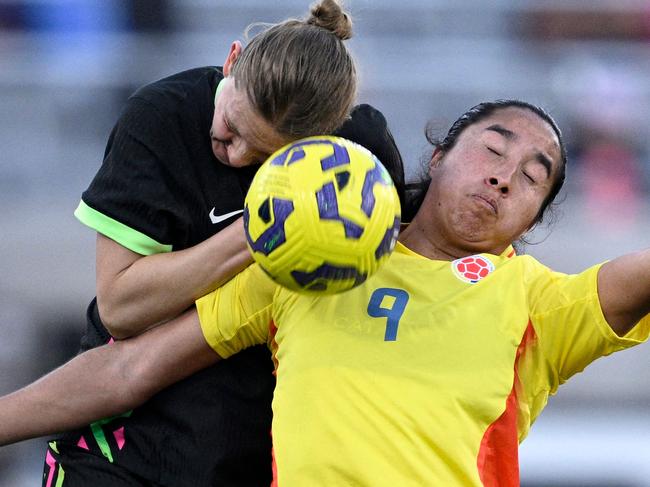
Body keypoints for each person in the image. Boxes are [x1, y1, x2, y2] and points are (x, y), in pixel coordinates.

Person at [1, 100, 648, 486]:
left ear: (532, 221)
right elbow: (129, 366)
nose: (505, 177)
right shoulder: (312, 255)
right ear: (441, 154)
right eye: (494, 148)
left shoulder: (537, 303)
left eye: (534, 178)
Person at [42, 1, 406, 485]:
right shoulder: (159, 118)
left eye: (265, 154)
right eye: (233, 127)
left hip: (258, 442)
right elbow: (120, 306)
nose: (235, 154)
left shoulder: (357, 156)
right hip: (123, 447)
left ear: (320, 139)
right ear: (232, 61)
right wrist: (264, 227)